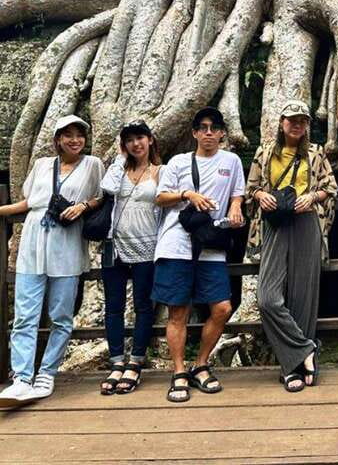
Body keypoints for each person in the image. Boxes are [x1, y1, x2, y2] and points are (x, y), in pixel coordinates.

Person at [0, 115, 104, 407]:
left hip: (66, 247)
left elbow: (101, 197)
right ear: (57, 139)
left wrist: (82, 206)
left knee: (60, 316)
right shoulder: (43, 164)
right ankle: (21, 378)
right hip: (33, 246)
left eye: (79, 135)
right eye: (68, 135)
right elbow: (29, 203)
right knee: (24, 315)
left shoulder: (93, 165)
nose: (75, 140)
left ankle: (46, 373)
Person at [153, 107, 245, 403]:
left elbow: (237, 193)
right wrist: (187, 195)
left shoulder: (231, 161)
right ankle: (179, 371)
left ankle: (201, 363)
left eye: (214, 127)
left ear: (221, 133)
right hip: (177, 244)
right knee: (178, 310)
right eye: (202, 127)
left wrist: (235, 206)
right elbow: (160, 197)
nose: (208, 132)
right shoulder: (178, 162)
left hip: (210, 245)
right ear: (194, 133)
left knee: (222, 308)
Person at [246, 100, 338, 392]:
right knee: (267, 298)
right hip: (276, 225)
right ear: (282, 122)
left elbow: (331, 187)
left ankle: (293, 368)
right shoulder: (265, 151)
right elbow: (251, 188)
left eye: (302, 120)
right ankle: (306, 350)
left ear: (307, 125)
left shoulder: (316, 152)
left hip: (307, 223)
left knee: (303, 297)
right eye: (291, 119)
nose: (297, 124)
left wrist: (312, 197)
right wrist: (261, 195)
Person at [98, 120, 162, 396]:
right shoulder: (118, 170)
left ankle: (135, 361)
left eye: (140, 138)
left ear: (150, 140)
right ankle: (115, 362)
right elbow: (108, 188)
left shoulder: (162, 170)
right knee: (113, 307)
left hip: (147, 246)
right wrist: (120, 158)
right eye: (129, 140)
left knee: (143, 307)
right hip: (115, 245)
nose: (136, 144)